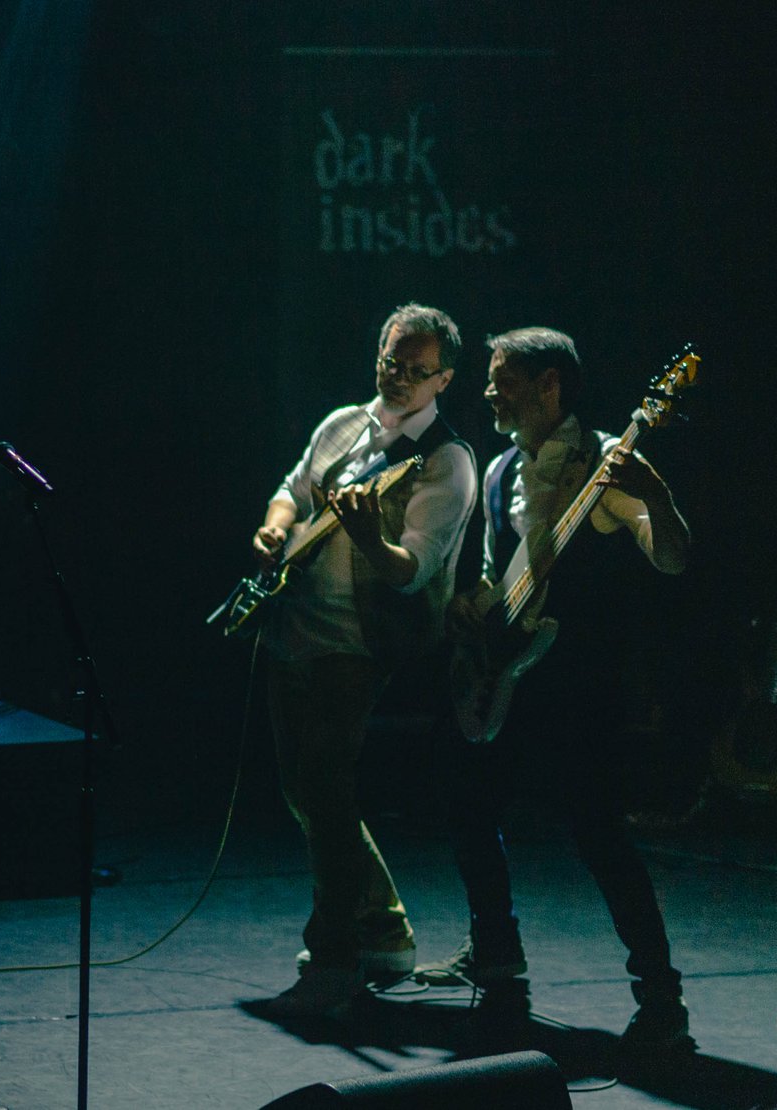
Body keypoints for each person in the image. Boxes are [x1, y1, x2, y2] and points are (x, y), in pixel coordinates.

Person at [416, 326, 696, 1058]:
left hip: (576, 690)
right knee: (466, 806)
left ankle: (662, 997)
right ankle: (501, 974)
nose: (488, 391)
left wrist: (658, 498)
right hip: (507, 673)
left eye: (503, 378)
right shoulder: (504, 465)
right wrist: (470, 607)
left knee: (600, 836)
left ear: (550, 387)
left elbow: (670, 558)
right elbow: (490, 570)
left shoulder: (603, 463)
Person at [252, 303, 480, 1018]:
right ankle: (384, 932)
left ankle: (336, 954)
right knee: (309, 794)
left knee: (323, 787)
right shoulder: (344, 423)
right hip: (293, 626)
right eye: (391, 363)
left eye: (417, 372)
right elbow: (291, 488)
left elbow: (413, 570)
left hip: (359, 644)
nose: (399, 379)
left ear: (443, 379)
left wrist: (368, 537)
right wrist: (274, 527)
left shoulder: (446, 460)